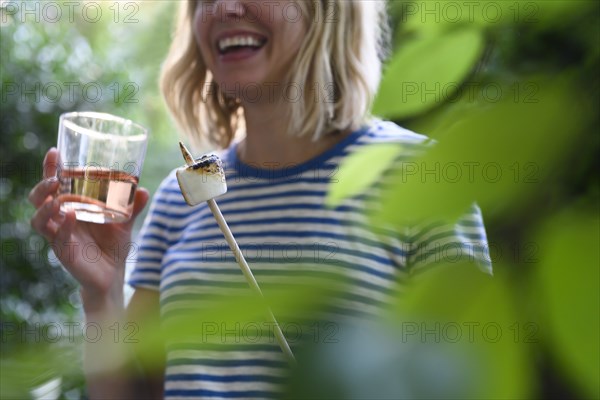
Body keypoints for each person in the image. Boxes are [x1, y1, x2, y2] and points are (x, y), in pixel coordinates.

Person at [29, 0, 491, 398]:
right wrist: (102, 292)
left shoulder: (423, 176)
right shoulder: (181, 196)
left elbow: (476, 382)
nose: (224, 8)